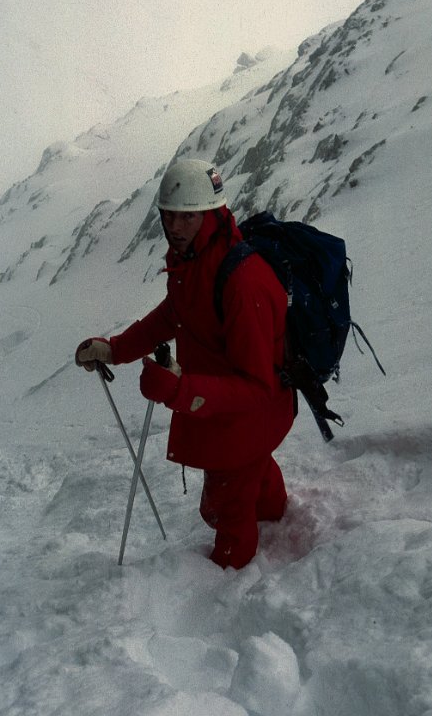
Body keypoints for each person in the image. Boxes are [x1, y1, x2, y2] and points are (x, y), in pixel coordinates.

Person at [76, 159, 295, 570]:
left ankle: (230, 591)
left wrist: (179, 388)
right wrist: (115, 349)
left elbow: (256, 387)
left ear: (211, 214)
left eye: (187, 216)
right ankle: (280, 521)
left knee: (224, 509)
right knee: (252, 478)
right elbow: (175, 313)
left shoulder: (241, 282)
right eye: (169, 215)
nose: (175, 226)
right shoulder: (195, 260)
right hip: (233, 418)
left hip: (247, 420)